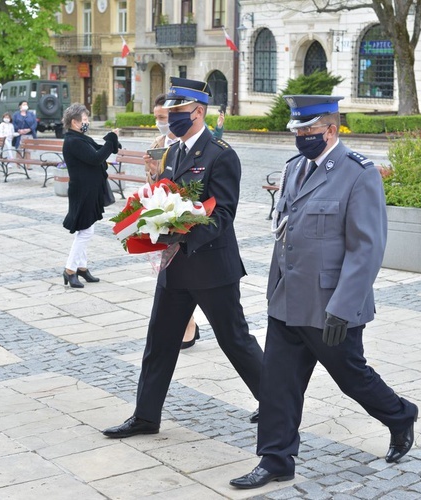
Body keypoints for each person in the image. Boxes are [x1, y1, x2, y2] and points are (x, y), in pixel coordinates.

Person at [230, 95, 419, 490]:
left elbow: (366, 248)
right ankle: (275, 459)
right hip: (287, 301)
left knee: (353, 378)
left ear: (330, 130)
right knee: (277, 385)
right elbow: (285, 233)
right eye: (297, 131)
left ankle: (400, 415)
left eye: (308, 131)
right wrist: (274, 290)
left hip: (330, 306)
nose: (300, 137)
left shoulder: (358, 174)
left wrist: (343, 308)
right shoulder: (295, 167)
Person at [102, 77, 264, 439]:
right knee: (159, 341)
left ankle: (276, 401)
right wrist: (151, 225)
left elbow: (222, 215)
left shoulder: (222, 154)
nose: (172, 119)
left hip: (211, 267)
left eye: (178, 112)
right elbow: (165, 198)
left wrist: (182, 232)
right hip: (174, 267)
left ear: (198, 112)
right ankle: (145, 416)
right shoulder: (172, 152)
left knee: (235, 339)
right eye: (170, 113)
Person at [144, 93, 201, 350]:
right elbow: (154, 187)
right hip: (166, 226)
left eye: (164, 117)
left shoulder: (193, 144)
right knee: (173, 282)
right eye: (158, 117)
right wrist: (154, 175)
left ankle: (189, 326)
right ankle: (184, 327)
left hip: (190, 229)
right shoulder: (159, 142)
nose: (162, 122)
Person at [61, 104, 120, 288]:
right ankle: (70, 270)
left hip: (88, 189)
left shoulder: (80, 138)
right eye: (85, 120)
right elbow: (96, 158)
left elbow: (100, 150)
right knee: (85, 231)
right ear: (74, 122)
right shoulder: (73, 141)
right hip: (82, 190)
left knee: (86, 229)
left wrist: (112, 140)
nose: (87, 123)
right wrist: (112, 139)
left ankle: (82, 268)